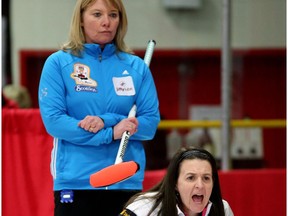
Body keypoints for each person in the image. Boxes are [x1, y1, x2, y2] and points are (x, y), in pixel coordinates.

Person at [38, 0, 160, 215]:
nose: (107, 22)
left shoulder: (136, 67)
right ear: (81, 20)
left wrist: (106, 121)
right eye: (97, 14)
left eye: (113, 15)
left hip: (125, 181)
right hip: (77, 181)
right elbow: (55, 122)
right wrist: (111, 132)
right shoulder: (58, 63)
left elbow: (149, 124)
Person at [119, 147, 234, 216]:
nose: (200, 185)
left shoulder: (222, 209)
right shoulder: (145, 208)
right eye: (191, 178)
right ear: (175, 183)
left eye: (206, 178)